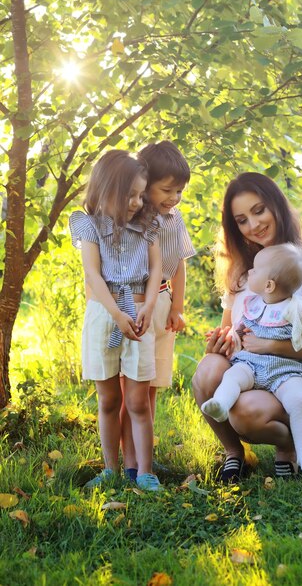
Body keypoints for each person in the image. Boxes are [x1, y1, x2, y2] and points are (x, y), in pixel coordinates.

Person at [192, 172, 302, 483]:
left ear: (277, 205)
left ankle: (292, 447)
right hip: (249, 369)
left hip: (294, 380)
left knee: (245, 411)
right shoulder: (244, 270)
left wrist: (270, 345)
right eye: (242, 220)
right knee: (208, 371)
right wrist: (218, 345)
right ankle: (235, 453)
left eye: (259, 210)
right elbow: (230, 332)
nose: (254, 225)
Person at [69, 149, 163, 491]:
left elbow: (156, 270)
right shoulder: (88, 224)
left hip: (139, 315)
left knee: (138, 401)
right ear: (107, 188)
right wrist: (116, 314)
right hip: (104, 315)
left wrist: (148, 307)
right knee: (109, 400)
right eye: (130, 195)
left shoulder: (148, 225)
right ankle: (110, 468)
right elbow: (93, 275)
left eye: (141, 194)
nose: (137, 202)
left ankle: (146, 471)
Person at [201, 243, 302, 475]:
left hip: (285, 370)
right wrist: (226, 337)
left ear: (269, 285)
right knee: (232, 377)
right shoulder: (252, 304)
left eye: (255, 270)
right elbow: (239, 330)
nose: (249, 272)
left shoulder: (299, 308)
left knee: (299, 400)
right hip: (250, 364)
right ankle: (221, 404)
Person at [120, 141, 196, 481]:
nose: (174, 197)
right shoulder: (133, 220)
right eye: (167, 189)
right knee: (132, 390)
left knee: (150, 386)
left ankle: (145, 452)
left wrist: (177, 308)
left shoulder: (175, 218)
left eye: (179, 190)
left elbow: (178, 263)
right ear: (145, 182)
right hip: (136, 305)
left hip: (163, 303)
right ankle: (131, 463)